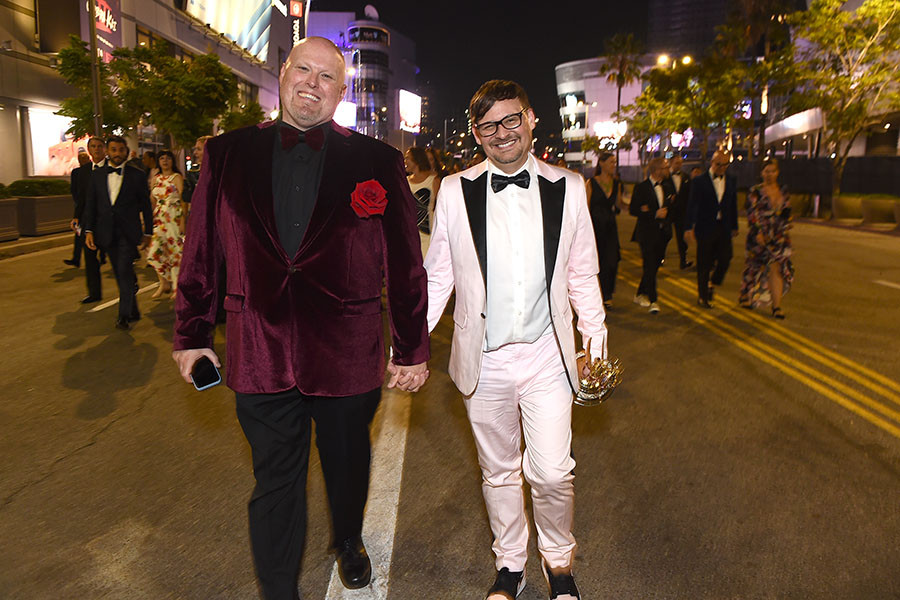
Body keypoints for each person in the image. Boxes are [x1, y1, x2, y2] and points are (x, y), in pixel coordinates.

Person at [171, 37, 429, 600]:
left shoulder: (377, 162)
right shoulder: (225, 154)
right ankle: (279, 590)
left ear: (342, 92)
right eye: (303, 70)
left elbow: (406, 264)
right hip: (258, 347)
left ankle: (349, 538)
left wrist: (412, 348)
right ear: (283, 74)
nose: (312, 83)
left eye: (327, 77)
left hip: (345, 351)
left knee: (346, 461)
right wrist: (192, 333)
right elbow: (201, 253)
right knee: (275, 480)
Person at [424, 79, 607, 600]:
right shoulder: (454, 191)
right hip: (483, 359)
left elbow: (582, 274)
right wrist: (412, 347)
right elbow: (438, 276)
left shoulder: (569, 188)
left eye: (511, 120)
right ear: (476, 135)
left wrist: (593, 349)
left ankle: (558, 562)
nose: (502, 133)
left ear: (531, 120)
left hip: (548, 355)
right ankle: (510, 566)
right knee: (499, 472)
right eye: (489, 126)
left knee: (551, 473)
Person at [83, 136, 153, 330]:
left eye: (120, 150)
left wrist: (148, 232)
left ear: (126, 152)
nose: (117, 154)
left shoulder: (137, 175)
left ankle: (124, 315)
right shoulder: (97, 176)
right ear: (107, 151)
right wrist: (88, 230)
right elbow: (91, 205)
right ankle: (134, 309)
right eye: (113, 150)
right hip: (106, 233)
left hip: (128, 233)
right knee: (121, 272)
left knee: (123, 270)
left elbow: (146, 207)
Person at [739, 158, 794, 318]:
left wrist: (787, 222)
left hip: (779, 235)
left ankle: (776, 306)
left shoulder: (783, 191)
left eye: (773, 171)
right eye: (766, 171)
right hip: (760, 233)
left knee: (777, 268)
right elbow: (752, 213)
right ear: (762, 173)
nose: (770, 174)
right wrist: (757, 232)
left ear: (777, 173)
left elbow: (787, 210)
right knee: (754, 267)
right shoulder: (755, 191)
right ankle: (745, 294)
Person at [686, 150, 739, 309]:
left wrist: (734, 225)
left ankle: (713, 282)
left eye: (725, 165)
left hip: (724, 226)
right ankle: (703, 296)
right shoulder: (699, 181)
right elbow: (692, 205)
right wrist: (689, 227)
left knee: (726, 258)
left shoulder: (731, 180)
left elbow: (733, 204)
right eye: (718, 164)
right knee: (704, 263)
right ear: (711, 163)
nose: (722, 168)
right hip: (705, 226)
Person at [630, 157, 673, 314]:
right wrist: (654, 213)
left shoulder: (667, 187)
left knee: (653, 267)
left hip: (663, 233)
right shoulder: (641, 187)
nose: (668, 170)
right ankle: (653, 300)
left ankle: (640, 293)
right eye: (665, 167)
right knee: (649, 264)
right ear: (656, 170)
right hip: (647, 233)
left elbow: (672, 207)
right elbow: (634, 209)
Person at [68, 137, 108, 302]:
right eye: (93, 147)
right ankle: (94, 293)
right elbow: (81, 198)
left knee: (119, 257)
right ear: (89, 150)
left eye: (100, 146)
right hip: (89, 222)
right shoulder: (83, 172)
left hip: (108, 221)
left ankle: (129, 283)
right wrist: (76, 217)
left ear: (104, 149)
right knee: (90, 258)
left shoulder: (112, 169)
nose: (97, 149)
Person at [585, 151, 623, 308]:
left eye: (615, 163)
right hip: (595, 227)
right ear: (601, 163)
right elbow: (586, 207)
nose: (613, 165)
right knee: (597, 262)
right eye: (611, 162)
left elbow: (619, 206)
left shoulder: (616, 183)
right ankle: (597, 294)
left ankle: (608, 294)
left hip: (610, 227)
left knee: (612, 261)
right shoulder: (591, 183)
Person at [147, 150, 185, 299]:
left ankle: (177, 287)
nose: (165, 161)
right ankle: (164, 282)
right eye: (162, 158)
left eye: (168, 158)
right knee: (155, 252)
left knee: (175, 252)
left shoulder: (177, 177)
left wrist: (183, 221)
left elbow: (183, 200)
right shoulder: (155, 178)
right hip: (159, 219)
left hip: (174, 217)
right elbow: (152, 199)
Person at [405, 146, 440, 256]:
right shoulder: (405, 181)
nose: (405, 161)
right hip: (410, 235)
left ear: (417, 160)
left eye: (407, 158)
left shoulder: (434, 180)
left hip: (429, 235)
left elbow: (441, 208)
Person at [667, 155, 693, 270]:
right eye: (677, 163)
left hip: (681, 212)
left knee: (682, 237)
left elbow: (690, 195)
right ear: (671, 163)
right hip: (667, 211)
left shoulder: (686, 177)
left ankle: (683, 260)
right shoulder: (665, 177)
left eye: (680, 163)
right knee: (665, 236)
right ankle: (660, 258)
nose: (679, 165)